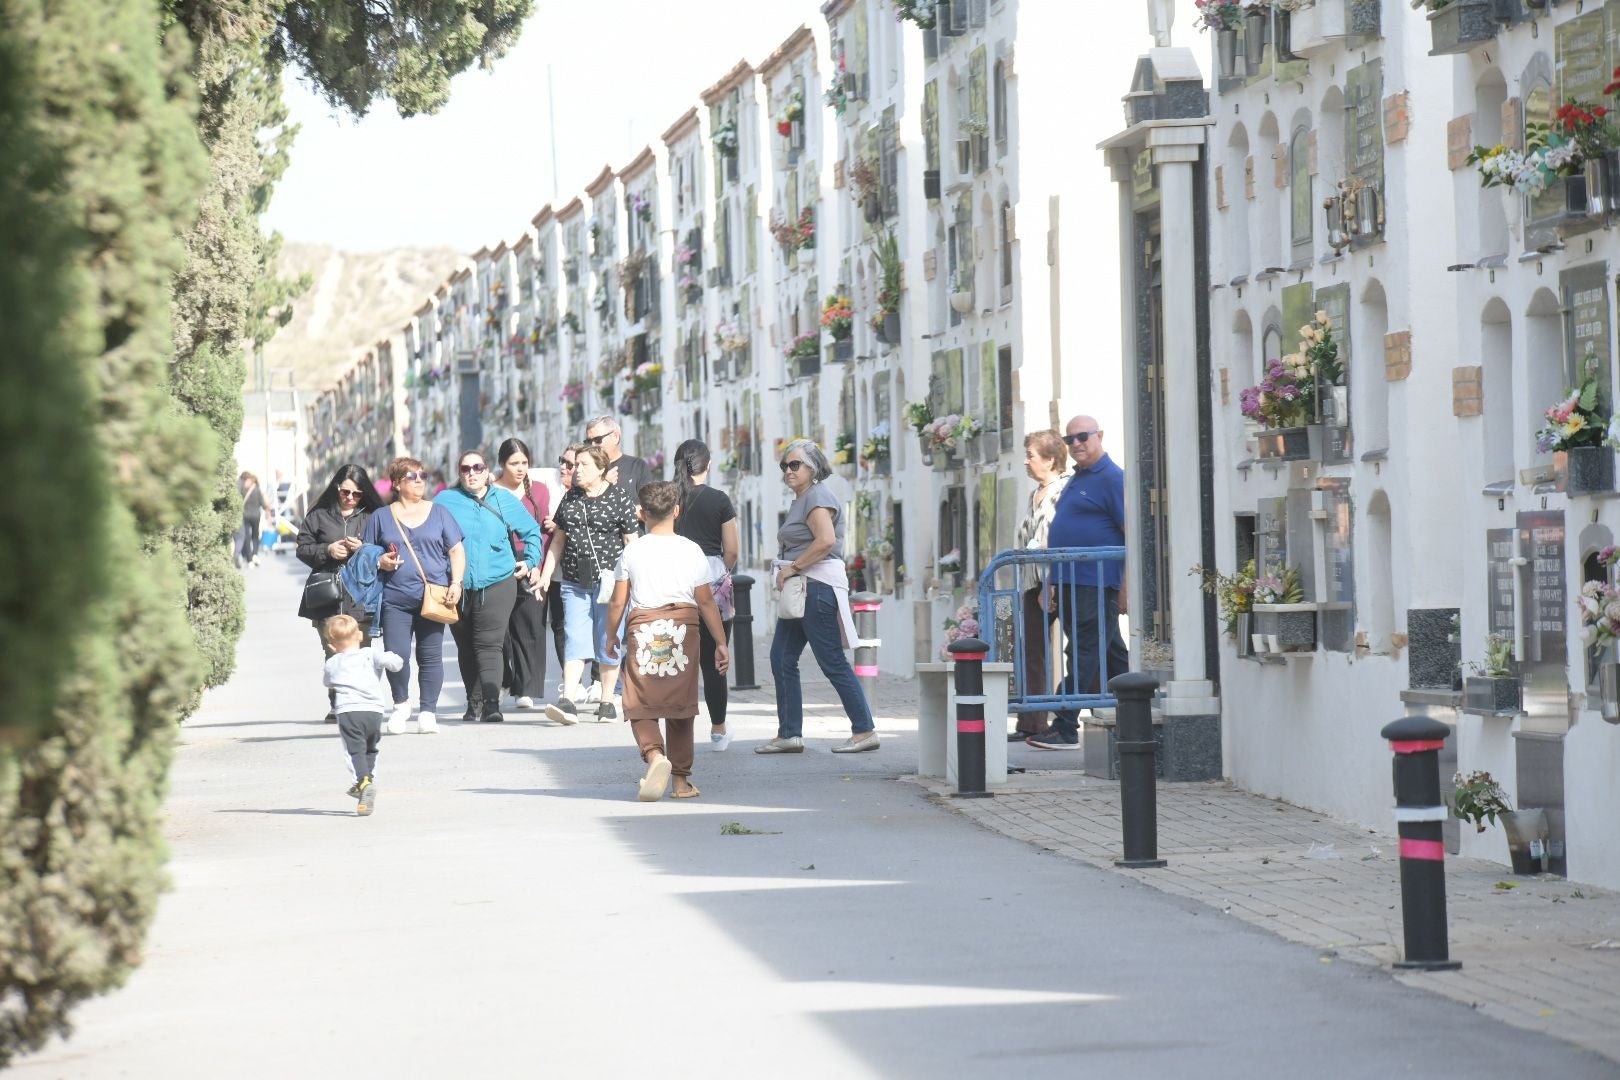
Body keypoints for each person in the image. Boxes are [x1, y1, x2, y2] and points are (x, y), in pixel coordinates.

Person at [604, 482, 731, 801]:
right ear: (676, 511)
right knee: (679, 702)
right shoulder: (691, 550)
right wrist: (719, 641)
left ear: (641, 514)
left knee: (638, 698)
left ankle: (654, 755)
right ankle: (680, 782)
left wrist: (610, 635)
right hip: (684, 630)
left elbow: (619, 601)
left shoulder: (632, 551)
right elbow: (705, 601)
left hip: (643, 627)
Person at [757, 439, 879, 755]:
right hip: (803, 589)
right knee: (781, 657)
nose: (788, 470)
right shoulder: (803, 499)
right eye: (784, 465)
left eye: (795, 464)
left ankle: (864, 730)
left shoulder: (816, 496)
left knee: (832, 662)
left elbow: (825, 541)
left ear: (813, 467)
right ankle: (789, 734)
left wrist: (792, 568)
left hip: (815, 587)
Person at [1028, 415, 1130, 751]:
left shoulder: (1113, 478)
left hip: (1096, 581)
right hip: (1071, 579)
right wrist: (1050, 583)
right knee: (1111, 650)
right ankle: (1143, 709)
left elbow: (1132, 534)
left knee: (1084, 650)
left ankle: (1066, 725)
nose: (1076, 445)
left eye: (1083, 437)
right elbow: (1062, 534)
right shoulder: (1076, 478)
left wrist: (1127, 587)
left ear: (1100, 435)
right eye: (1070, 440)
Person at [434, 448, 543, 724]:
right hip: (456, 586)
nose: (472, 473)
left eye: (477, 468)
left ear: (487, 471)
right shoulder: (445, 500)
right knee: (465, 645)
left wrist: (529, 561)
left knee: (489, 644)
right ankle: (473, 703)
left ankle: (492, 704)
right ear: (459, 473)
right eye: (465, 469)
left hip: (497, 581)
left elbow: (532, 532)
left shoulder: (502, 499)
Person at [364, 456, 467, 735]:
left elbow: (456, 550)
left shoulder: (439, 512)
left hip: (434, 595)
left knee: (430, 654)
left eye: (422, 475)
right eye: (412, 476)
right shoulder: (381, 517)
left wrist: (456, 583)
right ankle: (400, 706)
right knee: (396, 655)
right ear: (397, 483)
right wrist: (381, 561)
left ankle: (428, 712)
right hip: (394, 598)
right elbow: (367, 553)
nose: (420, 479)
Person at [537, 445, 639, 725]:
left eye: (582, 465)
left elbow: (632, 543)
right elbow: (558, 540)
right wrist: (546, 575)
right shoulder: (570, 498)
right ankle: (568, 700)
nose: (575, 470)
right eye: (575, 464)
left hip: (610, 584)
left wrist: (636, 582)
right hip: (574, 582)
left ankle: (607, 701)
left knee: (609, 639)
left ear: (601, 469)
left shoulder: (620, 498)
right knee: (574, 637)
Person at [296, 464, 387, 722]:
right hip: (328, 593)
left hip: (362, 593)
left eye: (356, 494)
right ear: (337, 488)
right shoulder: (319, 515)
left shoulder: (374, 516)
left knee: (360, 651)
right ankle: (338, 703)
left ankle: (359, 700)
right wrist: (327, 550)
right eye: (345, 492)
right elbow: (302, 548)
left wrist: (365, 548)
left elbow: (389, 548)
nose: (350, 498)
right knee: (334, 651)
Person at [671, 439, 740, 751]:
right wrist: (718, 572)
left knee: (678, 659)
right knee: (715, 660)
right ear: (708, 465)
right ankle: (718, 730)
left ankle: (677, 729)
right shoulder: (719, 500)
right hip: (712, 579)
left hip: (676, 580)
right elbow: (733, 551)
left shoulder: (670, 497)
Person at [1012, 431, 1071, 741]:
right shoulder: (1035, 492)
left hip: (1059, 580)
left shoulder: (1064, 490)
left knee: (1075, 647)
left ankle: (1071, 715)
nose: (1026, 460)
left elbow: (1058, 536)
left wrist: (1050, 582)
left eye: (1031, 455)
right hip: (1032, 582)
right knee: (1031, 651)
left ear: (1050, 459)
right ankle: (1032, 722)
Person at [321, 614, 403, 817]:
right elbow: (395, 663)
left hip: (349, 710)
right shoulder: (370, 653)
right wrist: (395, 658)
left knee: (354, 751)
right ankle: (368, 778)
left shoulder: (333, 662)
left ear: (331, 645)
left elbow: (328, 682)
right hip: (374, 710)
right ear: (359, 635)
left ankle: (363, 781)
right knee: (370, 747)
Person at [493, 438, 552, 710]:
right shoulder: (490, 491)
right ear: (502, 464)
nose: (520, 469)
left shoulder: (538, 491)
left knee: (530, 624)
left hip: (530, 560)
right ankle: (507, 679)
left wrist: (538, 564)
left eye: (524, 463)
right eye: (513, 463)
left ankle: (526, 688)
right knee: (501, 628)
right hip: (498, 560)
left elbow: (542, 531)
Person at [584, 414, 652, 507]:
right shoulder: (584, 470)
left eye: (598, 440)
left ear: (615, 436)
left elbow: (648, 509)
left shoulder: (638, 466)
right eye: (588, 442)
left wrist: (617, 512)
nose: (592, 446)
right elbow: (580, 510)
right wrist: (602, 485)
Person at [237, 472, 268, 568]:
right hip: (256, 516)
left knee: (247, 536)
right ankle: (255, 554)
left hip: (245, 515)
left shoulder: (242, 490)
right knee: (255, 535)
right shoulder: (257, 489)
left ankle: (249, 559)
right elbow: (263, 504)